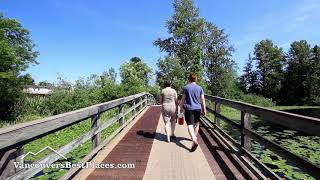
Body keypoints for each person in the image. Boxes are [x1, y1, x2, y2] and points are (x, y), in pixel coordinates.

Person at [179, 73, 206, 152]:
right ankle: (194, 137)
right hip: (198, 108)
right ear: (196, 79)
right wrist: (204, 109)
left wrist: (180, 108)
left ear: (189, 79)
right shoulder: (200, 88)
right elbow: (202, 99)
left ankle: (194, 139)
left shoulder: (186, 87)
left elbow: (183, 99)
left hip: (189, 108)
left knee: (190, 125)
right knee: (196, 124)